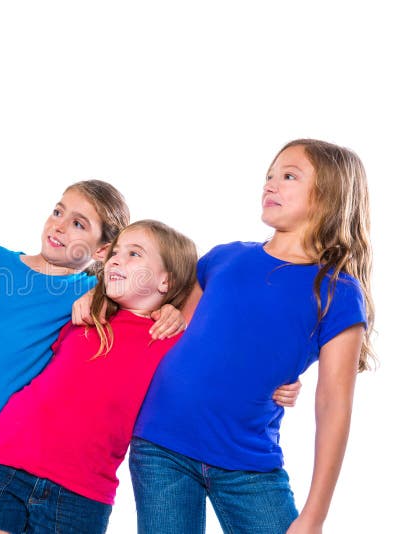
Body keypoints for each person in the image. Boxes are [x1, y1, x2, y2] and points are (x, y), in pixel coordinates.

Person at [0, 181, 186, 533]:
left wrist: (172, 311)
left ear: (103, 250)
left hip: (4, 454)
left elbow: (143, 303)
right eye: (58, 211)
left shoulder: (93, 296)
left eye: (78, 223)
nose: (59, 225)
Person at [126, 139, 375, 533]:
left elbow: (333, 406)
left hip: (248, 462)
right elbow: (170, 325)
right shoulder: (225, 257)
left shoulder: (338, 292)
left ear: (329, 195)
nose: (270, 184)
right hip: (161, 444)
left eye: (288, 176)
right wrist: (170, 308)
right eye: (269, 176)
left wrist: (314, 516)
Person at [0, 219, 199, 534]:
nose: (118, 259)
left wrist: (281, 383)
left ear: (166, 281)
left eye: (135, 254)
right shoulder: (83, 313)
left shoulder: (173, 341)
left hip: (83, 491)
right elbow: (13, 331)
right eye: (116, 252)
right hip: (7, 459)